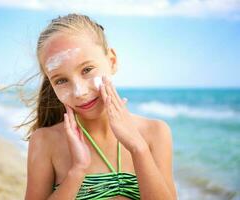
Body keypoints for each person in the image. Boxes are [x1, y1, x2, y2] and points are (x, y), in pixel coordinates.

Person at [24, 13, 177, 200]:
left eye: (87, 70)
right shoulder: (45, 141)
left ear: (112, 61)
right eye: (61, 80)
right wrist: (77, 170)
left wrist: (138, 148)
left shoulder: (156, 132)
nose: (79, 92)